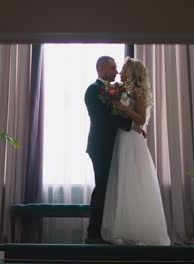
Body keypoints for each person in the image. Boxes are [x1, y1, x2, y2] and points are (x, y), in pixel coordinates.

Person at [101, 57, 171, 245]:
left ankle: (137, 230)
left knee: (133, 180)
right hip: (121, 138)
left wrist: (124, 109)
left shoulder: (137, 91)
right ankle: (123, 229)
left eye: (123, 68)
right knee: (122, 180)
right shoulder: (121, 89)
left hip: (131, 140)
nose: (120, 72)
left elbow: (140, 119)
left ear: (131, 72)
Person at [84, 56, 133, 244]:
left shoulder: (114, 91)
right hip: (100, 146)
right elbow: (102, 119)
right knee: (102, 187)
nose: (116, 72)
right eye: (112, 68)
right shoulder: (93, 90)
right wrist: (131, 123)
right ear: (101, 69)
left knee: (112, 188)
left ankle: (108, 231)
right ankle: (93, 234)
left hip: (115, 145)